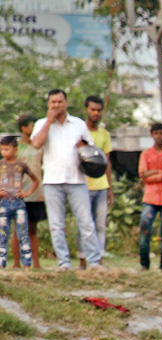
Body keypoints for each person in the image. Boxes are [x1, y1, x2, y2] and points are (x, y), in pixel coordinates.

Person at [31, 88, 102, 271]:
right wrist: (49, 121)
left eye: (59, 102)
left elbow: (90, 149)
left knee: (86, 222)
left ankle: (94, 262)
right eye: (53, 102)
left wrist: (82, 146)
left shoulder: (78, 124)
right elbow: (37, 144)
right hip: (52, 181)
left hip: (76, 180)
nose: (56, 105)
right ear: (48, 104)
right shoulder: (41, 123)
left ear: (66, 103)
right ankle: (64, 263)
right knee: (56, 225)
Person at [137, 122, 162, 272]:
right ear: (152, 135)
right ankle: (144, 264)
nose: (159, 136)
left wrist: (154, 173)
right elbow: (143, 176)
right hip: (150, 196)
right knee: (145, 228)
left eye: (161, 133)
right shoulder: (146, 154)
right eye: (156, 133)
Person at [0, 135, 39, 268]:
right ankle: (2, 263)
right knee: (2, 234)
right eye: (2, 150)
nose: (4, 152)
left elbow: (35, 180)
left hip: (19, 203)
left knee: (23, 233)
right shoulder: (0, 164)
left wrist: (27, 193)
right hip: (3, 203)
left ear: (15, 150)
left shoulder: (21, 165)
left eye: (7, 149)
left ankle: (27, 263)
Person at [82, 95, 112, 266]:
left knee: (100, 225)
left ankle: (98, 260)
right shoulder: (80, 131)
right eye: (92, 109)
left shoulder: (104, 134)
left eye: (99, 110)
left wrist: (109, 187)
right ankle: (82, 259)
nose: (96, 113)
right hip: (83, 185)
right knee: (85, 224)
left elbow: (107, 161)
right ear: (86, 109)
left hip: (101, 186)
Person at [14, 116, 44, 268]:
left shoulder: (39, 147)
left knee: (33, 229)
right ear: (24, 128)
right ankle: (16, 263)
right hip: (19, 192)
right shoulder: (16, 148)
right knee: (17, 229)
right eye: (32, 126)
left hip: (36, 193)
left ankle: (37, 264)